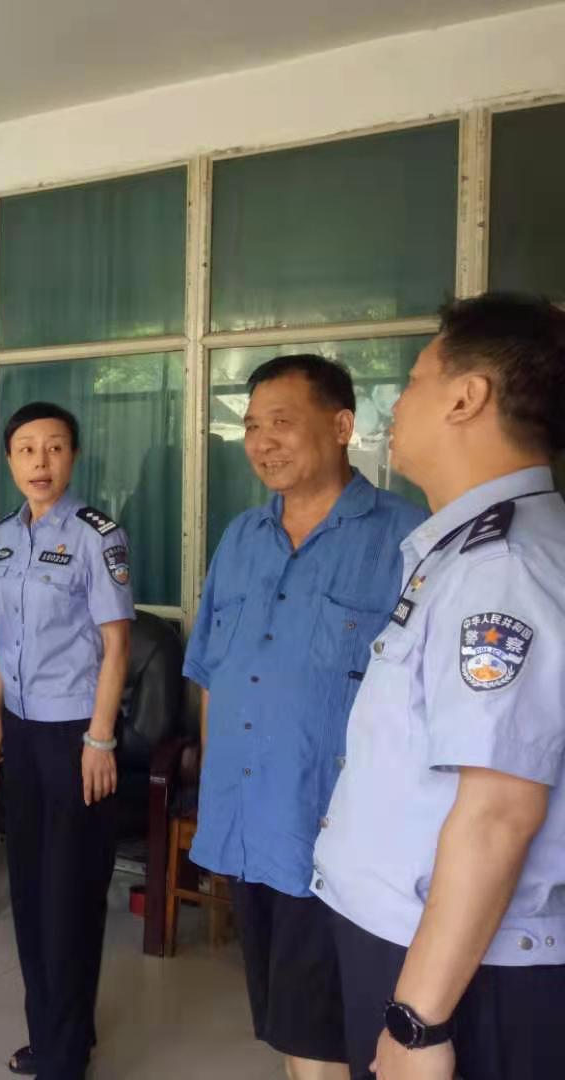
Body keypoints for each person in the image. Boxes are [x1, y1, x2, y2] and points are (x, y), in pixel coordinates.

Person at [313, 294, 565, 1080]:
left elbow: (499, 812)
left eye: (416, 379)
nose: (397, 403)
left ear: (467, 397)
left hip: (463, 969)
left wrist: (417, 1023)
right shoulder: (466, 550)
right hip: (427, 940)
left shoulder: (501, 568)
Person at [183, 356, 427, 1080]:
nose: (262, 442)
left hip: (342, 844)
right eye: (251, 426)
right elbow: (213, 676)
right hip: (248, 828)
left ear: (342, 425)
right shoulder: (241, 538)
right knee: (291, 1029)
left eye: (281, 422)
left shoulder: (408, 538)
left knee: (332, 1041)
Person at [0, 401, 133, 1080]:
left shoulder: (99, 536)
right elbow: (2, 639)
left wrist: (100, 740)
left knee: (70, 896)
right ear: (9, 459)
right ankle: (52, 1032)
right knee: (31, 891)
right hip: (19, 728)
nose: (40, 462)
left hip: (75, 733)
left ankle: (64, 1057)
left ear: (73, 456)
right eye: (26, 449)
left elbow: (117, 644)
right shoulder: (1, 537)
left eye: (55, 447)